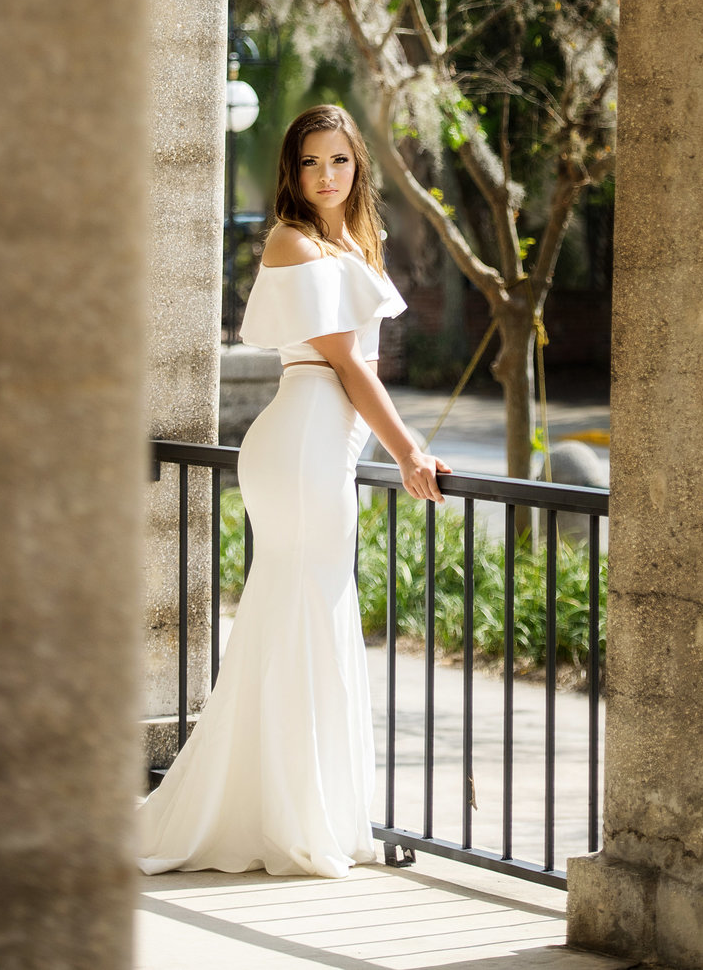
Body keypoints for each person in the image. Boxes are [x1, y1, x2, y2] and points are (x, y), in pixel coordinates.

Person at [136, 102, 452, 879]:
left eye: (339, 160)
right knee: (302, 612)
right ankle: (287, 817)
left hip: (326, 445)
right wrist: (409, 450)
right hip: (304, 441)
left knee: (310, 614)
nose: (325, 175)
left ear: (357, 166)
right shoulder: (292, 238)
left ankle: (313, 811)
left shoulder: (350, 239)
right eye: (311, 162)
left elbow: (360, 368)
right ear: (292, 169)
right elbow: (349, 365)